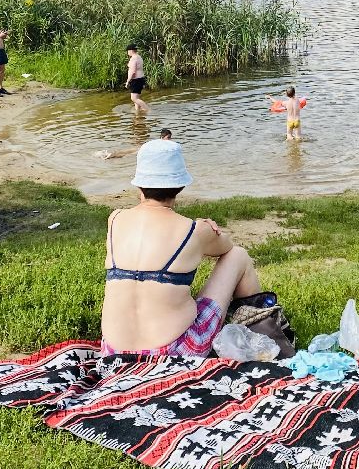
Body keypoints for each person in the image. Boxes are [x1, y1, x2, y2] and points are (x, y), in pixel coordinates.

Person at [99, 140, 264, 357]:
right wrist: (209, 228)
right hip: (177, 351)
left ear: (139, 183)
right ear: (181, 186)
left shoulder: (115, 219)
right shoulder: (194, 230)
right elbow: (226, 246)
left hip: (114, 351)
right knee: (238, 255)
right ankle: (259, 325)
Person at [95, 128, 171, 160]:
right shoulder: (163, 143)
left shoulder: (157, 140)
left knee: (124, 152)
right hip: (143, 149)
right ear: (162, 136)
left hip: (141, 147)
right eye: (168, 137)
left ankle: (106, 153)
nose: (170, 139)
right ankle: (109, 156)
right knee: (125, 154)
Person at [125, 44, 149, 116]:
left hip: (136, 80)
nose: (127, 53)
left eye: (127, 51)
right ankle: (137, 113)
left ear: (131, 50)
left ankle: (147, 109)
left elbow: (133, 71)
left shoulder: (134, 59)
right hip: (141, 79)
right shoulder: (139, 57)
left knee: (134, 98)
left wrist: (127, 81)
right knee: (137, 98)